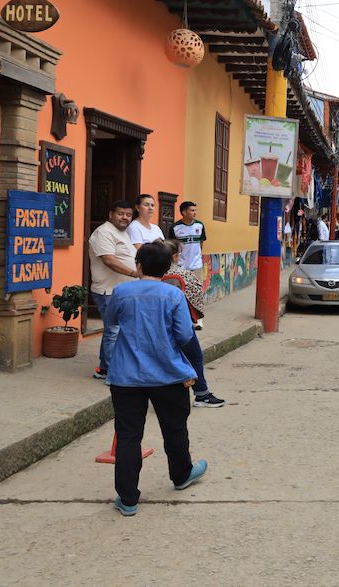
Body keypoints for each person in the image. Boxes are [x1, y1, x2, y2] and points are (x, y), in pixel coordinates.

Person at [104, 241, 208, 516]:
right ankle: (182, 474)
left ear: (138, 266)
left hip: (126, 377)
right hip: (169, 375)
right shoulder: (173, 295)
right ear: (167, 269)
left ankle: (127, 499)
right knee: (174, 429)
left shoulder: (122, 291)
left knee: (128, 436)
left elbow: (112, 321)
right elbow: (185, 336)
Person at [161, 240, 225, 408]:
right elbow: (194, 298)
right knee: (194, 357)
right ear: (175, 257)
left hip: (157, 326)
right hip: (180, 325)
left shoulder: (150, 276)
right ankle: (201, 394)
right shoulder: (181, 275)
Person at [88, 200, 138, 379]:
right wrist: (134, 273)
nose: (125, 218)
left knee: (120, 330)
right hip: (108, 291)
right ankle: (109, 370)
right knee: (114, 330)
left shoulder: (122, 233)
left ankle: (108, 367)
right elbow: (108, 260)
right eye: (121, 214)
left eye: (128, 215)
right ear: (111, 214)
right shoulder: (104, 232)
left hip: (123, 290)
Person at [170, 201, 207, 330]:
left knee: (197, 290)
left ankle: (198, 320)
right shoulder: (175, 227)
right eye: (191, 210)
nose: (194, 212)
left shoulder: (200, 225)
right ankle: (183, 318)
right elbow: (172, 246)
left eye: (195, 210)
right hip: (180, 265)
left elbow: (201, 243)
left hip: (196, 264)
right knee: (181, 292)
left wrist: (197, 257)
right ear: (184, 212)